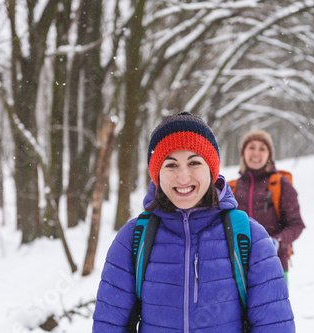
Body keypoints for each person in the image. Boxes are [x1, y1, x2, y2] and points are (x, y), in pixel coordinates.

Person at [92, 113, 295, 332]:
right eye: (170, 165)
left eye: (194, 162)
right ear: (156, 174)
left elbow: (274, 325)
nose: (183, 177)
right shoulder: (133, 238)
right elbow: (108, 325)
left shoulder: (250, 237)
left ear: (211, 169)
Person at [228, 130, 305, 285]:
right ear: (243, 152)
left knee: (273, 309)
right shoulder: (231, 188)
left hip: (273, 264)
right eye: (251, 147)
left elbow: (296, 224)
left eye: (262, 149)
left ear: (269, 154)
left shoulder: (280, 184)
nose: (256, 153)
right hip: (236, 268)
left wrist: (277, 241)